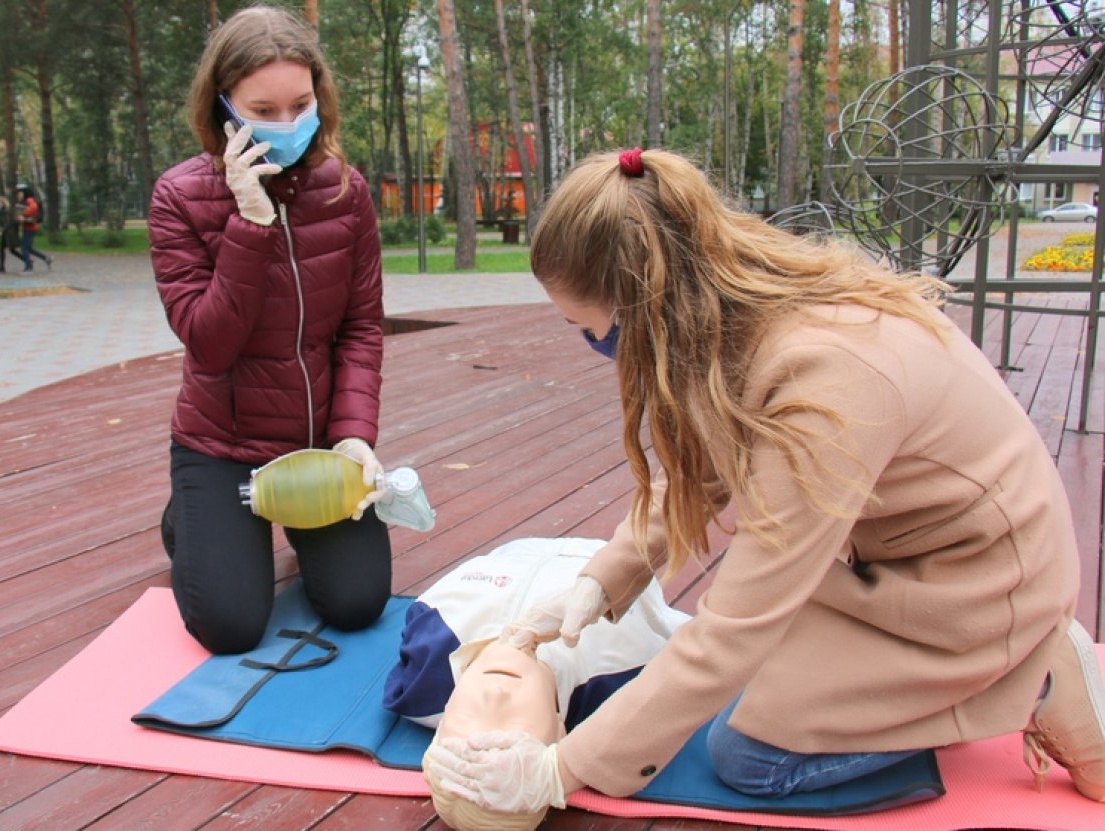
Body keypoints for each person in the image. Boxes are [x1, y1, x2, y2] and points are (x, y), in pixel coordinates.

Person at [425, 148, 1105, 815]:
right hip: (912, 565)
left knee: (751, 754)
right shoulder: (746, 307)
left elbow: (735, 628)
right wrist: (603, 577)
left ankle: (1035, 672)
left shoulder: (826, 382)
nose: (593, 349)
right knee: (744, 685)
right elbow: (708, 466)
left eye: (589, 330)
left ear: (645, 307)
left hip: (979, 588)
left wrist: (560, 769)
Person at [147, 5, 391, 655]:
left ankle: (262, 522)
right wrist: (249, 224)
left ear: (320, 97)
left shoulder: (346, 191)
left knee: (358, 602)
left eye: (300, 104)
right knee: (229, 627)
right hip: (221, 444)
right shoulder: (179, 197)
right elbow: (210, 343)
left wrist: (354, 437)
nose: (287, 125)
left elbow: (362, 327)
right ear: (223, 106)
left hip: (315, 450)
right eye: (263, 109)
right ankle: (193, 516)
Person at [381, 537, 687, 830]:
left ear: (442, 715)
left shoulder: (425, 661)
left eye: (467, 719)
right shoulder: (617, 675)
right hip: (615, 551)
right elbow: (699, 642)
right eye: (515, 726)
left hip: (513, 552)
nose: (496, 695)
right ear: (559, 732)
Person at [14, 184, 52, 271]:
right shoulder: (25, 201)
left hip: (30, 228)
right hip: (28, 227)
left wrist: (23, 215)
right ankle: (46, 258)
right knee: (29, 248)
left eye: (19, 193)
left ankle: (29, 266)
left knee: (24, 248)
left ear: (24, 193)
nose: (18, 195)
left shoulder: (29, 200)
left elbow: (34, 207)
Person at [0, 195, 25, 274]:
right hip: (5, 233)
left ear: (2, 202)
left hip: (9, 233)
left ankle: (27, 260)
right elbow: (3, 222)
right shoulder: (2, 210)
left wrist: (2, 231)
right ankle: (1, 267)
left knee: (12, 250)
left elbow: (8, 223)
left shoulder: (6, 211)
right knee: (2, 250)